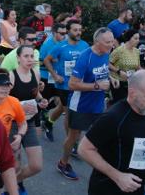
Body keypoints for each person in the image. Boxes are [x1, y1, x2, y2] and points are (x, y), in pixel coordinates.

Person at [78, 71, 145, 195]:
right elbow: (84, 149)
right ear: (132, 93)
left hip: (136, 188)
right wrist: (117, 176)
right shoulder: (113, 117)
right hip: (108, 189)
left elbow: (134, 145)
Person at [57, 27, 114, 181]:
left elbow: (102, 69)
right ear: (97, 42)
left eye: (112, 40)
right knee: (73, 137)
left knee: (101, 135)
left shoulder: (106, 53)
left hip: (97, 104)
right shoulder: (85, 57)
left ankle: (103, 168)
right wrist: (97, 86)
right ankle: (63, 163)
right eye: (107, 42)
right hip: (80, 104)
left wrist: (111, 78)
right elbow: (73, 85)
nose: (111, 44)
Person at [8, 45, 49, 194]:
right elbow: (2, 101)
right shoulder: (11, 76)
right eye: (26, 56)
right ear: (18, 58)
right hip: (12, 124)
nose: (30, 59)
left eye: (32, 56)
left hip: (29, 122)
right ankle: (12, 188)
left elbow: (35, 93)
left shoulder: (36, 73)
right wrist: (20, 108)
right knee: (15, 164)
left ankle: (15, 181)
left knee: (36, 165)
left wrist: (41, 100)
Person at [43, 20, 89, 146]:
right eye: (75, 30)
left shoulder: (84, 45)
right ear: (68, 31)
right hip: (64, 85)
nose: (78, 32)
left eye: (80, 30)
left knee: (63, 108)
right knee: (68, 112)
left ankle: (48, 121)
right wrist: (55, 75)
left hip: (79, 84)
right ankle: (72, 142)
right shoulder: (60, 46)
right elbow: (47, 60)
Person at [0, 68, 27, 194]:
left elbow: (23, 123)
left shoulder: (14, 102)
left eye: (7, 85)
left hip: (1, 150)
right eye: (0, 85)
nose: (5, 89)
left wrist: (20, 136)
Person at [39, 23, 67, 141]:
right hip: (46, 77)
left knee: (58, 101)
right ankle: (43, 118)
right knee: (44, 101)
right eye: (61, 34)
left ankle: (45, 119)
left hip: (57, 77)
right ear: (55, 33)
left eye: (65, 33)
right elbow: (49, 61)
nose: (64, 36)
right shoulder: (49, 44)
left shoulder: (62, 43)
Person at [109, 29, 141, 105]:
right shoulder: (119, 50)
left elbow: (138, 66)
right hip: (118, 83)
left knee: (130, 105)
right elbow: (108, 64)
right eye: (135, 38)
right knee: (120, 106)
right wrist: (119, 71)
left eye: (138, 38)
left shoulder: (136, 51)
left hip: (131, 82)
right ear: (129, 38)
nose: (138, 41)